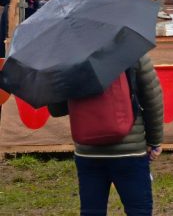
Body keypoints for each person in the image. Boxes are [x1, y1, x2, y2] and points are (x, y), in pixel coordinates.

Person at [49, 53, 164, 215]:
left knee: (92, 211)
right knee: (139, 210)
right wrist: (154, 140)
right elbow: (152, 98)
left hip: (88, 152)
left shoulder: (67, 57)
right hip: (130, 150)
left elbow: (56, 109)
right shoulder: (132, 50)